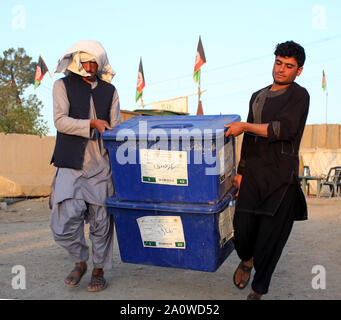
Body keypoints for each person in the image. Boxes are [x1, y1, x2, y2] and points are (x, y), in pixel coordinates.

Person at [224, 41, 309, 300]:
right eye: (278, 63)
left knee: (270, 239)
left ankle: (258, 289)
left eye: (289, 66)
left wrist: (246, 126)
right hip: (253, 176)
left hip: (280, 179)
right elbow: (248, 141)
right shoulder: (257, 95)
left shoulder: (299, 95)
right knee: (243, 230)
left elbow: (283, 129)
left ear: (299, 70)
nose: (282, 70)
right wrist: (240, 171)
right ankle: (246, 260)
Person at [49, 40, 120, 292]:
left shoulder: (110, 91)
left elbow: (116, 127)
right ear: (77, 62)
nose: (90, 67)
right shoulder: (62, 86)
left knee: (101, 221)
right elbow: (60, 121)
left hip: (101, 164)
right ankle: (80, 260)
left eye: (95, 63)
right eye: (86, 62)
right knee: (63, 221)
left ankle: (98, 268)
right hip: (70, 162)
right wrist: (91, 123)